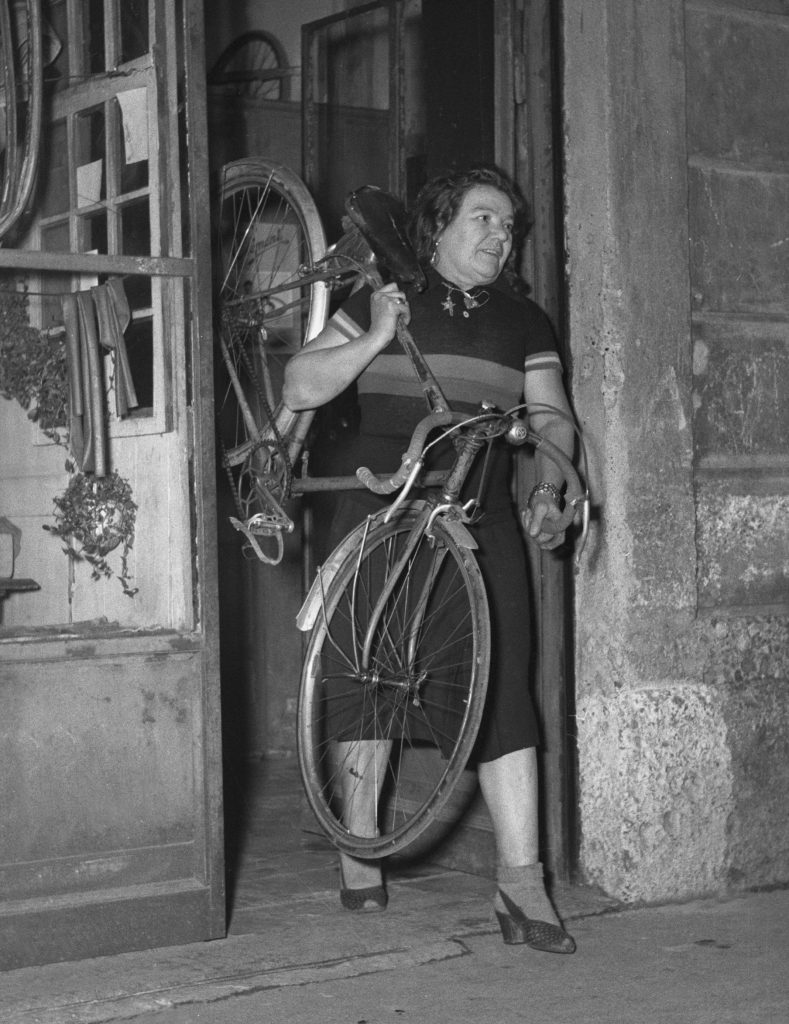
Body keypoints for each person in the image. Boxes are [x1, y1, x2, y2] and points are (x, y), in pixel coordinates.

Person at [283, 166, 578, 955]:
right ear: (439, 225)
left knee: (503, 684)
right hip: (380, 512)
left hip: (479, 522)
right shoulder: (382, 300)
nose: (498, 235)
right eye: (481, 218)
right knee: (365, 678)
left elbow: (551, 419)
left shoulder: (524, 321)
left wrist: (549, 490)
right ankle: (360, 846)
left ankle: (523, 885)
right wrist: (376, 334)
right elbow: (302, 384)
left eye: (508, 225)